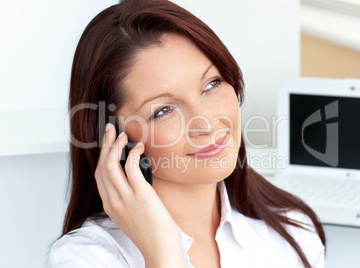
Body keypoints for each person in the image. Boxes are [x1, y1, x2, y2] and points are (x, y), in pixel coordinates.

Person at [48, 0, 326, 267]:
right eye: (164, 110)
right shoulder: (87, 257)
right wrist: (162, 255)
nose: (205, 123)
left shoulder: (293, 231)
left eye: (212, 84)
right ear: (114, 135)